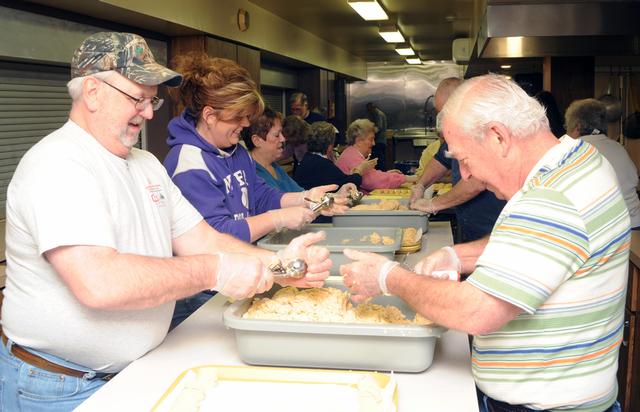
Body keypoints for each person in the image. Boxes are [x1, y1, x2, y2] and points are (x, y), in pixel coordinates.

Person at [0, 32, 332, 411]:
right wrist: (214, 271)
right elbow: (101, 283)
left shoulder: (147, 166)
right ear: (92, 92)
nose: (149, 112)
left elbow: (206, 241)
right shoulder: (58, 164)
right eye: (137, 98)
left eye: (151, 99)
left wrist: (280, 265)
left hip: (137, 369)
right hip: (61, 385)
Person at [341, 74, 627, 412]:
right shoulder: (578, 161)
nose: (465, 174)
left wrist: (389, 277)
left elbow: (477, 311)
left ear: (498, 137)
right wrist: (458, 255)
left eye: (464, 158)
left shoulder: (551, 198)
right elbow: (534, 242)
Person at [164, 53, 346, 245]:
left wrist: (306, 198)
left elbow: (261, 196)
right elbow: (216, 235)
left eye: (247, 116)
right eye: (238, 116)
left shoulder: (236, 150)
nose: (245, 123)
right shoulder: (189, 164)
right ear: (209, 115)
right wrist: (278, 218)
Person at [410, 77, 506, 242]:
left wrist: (434, 204)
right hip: (470, 226)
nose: (444, 118)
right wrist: (421, 184)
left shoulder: (483, 130)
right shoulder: (456, 128)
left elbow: (475, 182)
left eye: (446, 112)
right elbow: (441, 159)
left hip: (493, 228)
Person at [565, 98, 640, 228]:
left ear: (577, 126)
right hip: (634, 222)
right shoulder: (619, 148)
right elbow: (634, 181)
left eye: (567, 126)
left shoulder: (572, 150)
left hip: (608, 228)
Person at [336, 118, 416, 192]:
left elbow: (371, 176)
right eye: (371, 139)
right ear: (359, 141)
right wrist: (405, 178)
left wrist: (387, 174)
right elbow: (373, 181)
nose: (374, 143)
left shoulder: (351, 153)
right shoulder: (352, 157)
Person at [294, 121, 371, 190]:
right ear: (330, 146)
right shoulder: (322, 164)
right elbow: (349, 183)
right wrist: (359, 170)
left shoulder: (307, 159)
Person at [242, 107, 303, 192]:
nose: (283, 139)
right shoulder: (253, 176)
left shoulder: (274, 166)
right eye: (277, 135)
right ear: (256, 141)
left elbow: (300, 193)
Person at [366, 102, 388, 171]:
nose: (368, 111)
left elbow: (378, 127)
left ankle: (380, 174)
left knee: (378, 160)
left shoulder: (377, 114)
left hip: (379, 141)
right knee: (381, 159)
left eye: (369, 109)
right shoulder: (379, 113)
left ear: (372, 107)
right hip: (382, 141)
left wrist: (369, 133)